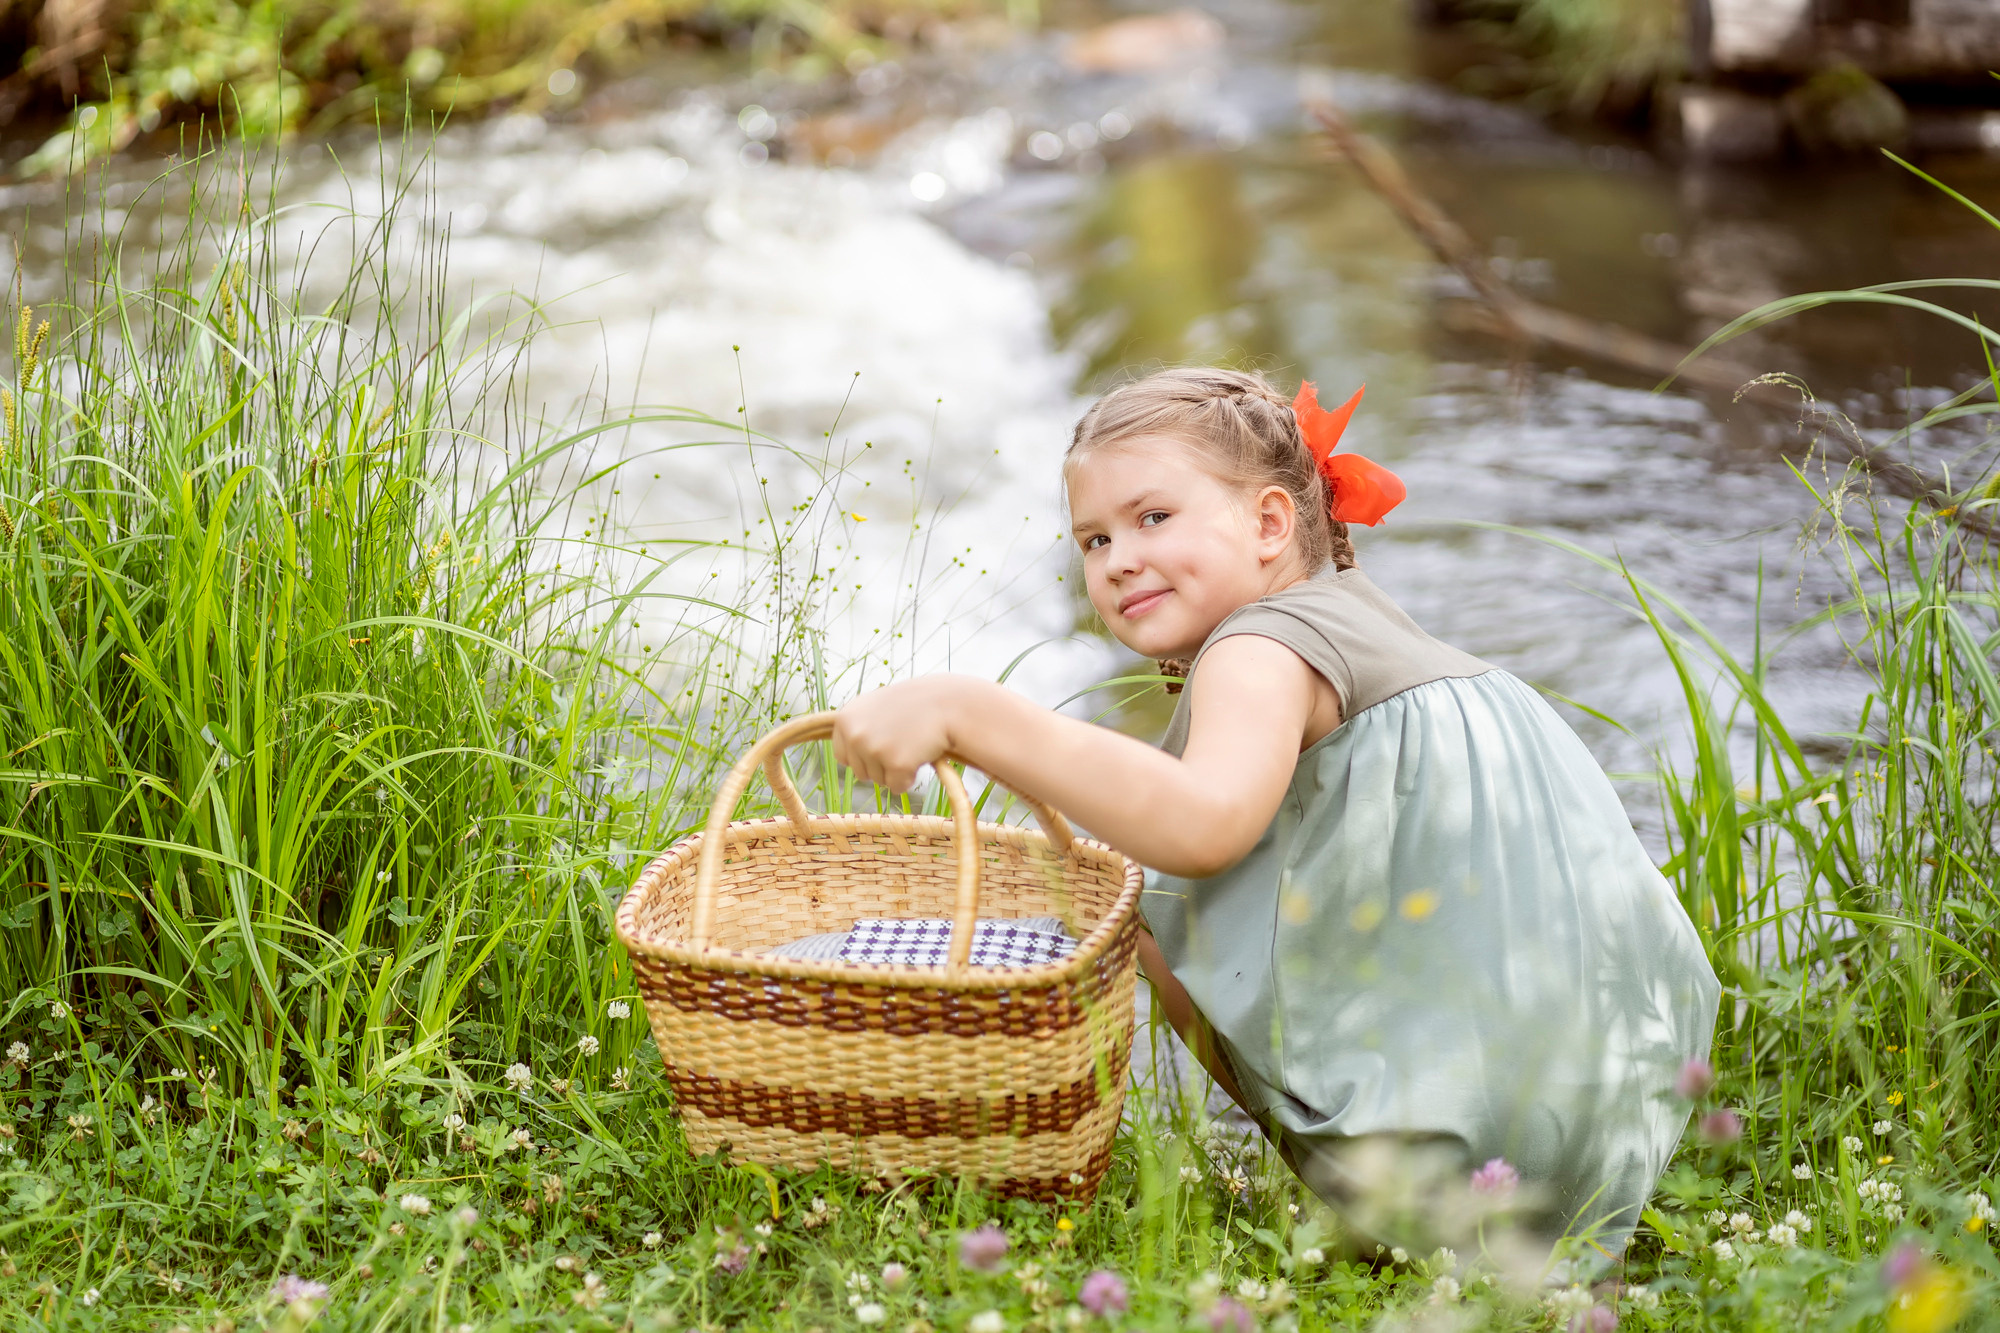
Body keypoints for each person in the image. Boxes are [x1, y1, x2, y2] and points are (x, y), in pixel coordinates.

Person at [830, 367, 1720, 1256]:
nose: (1118, 559)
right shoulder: (1354, 619)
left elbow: (1204, 826)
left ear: (1267, 522)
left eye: (1153, 517)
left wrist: (976, 714)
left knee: (1133, 899)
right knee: (1126, 873)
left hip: (1481, 1140)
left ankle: (1376, 1196)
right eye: (1093, 540)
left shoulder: (1257, 648)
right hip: (1625, 1078)